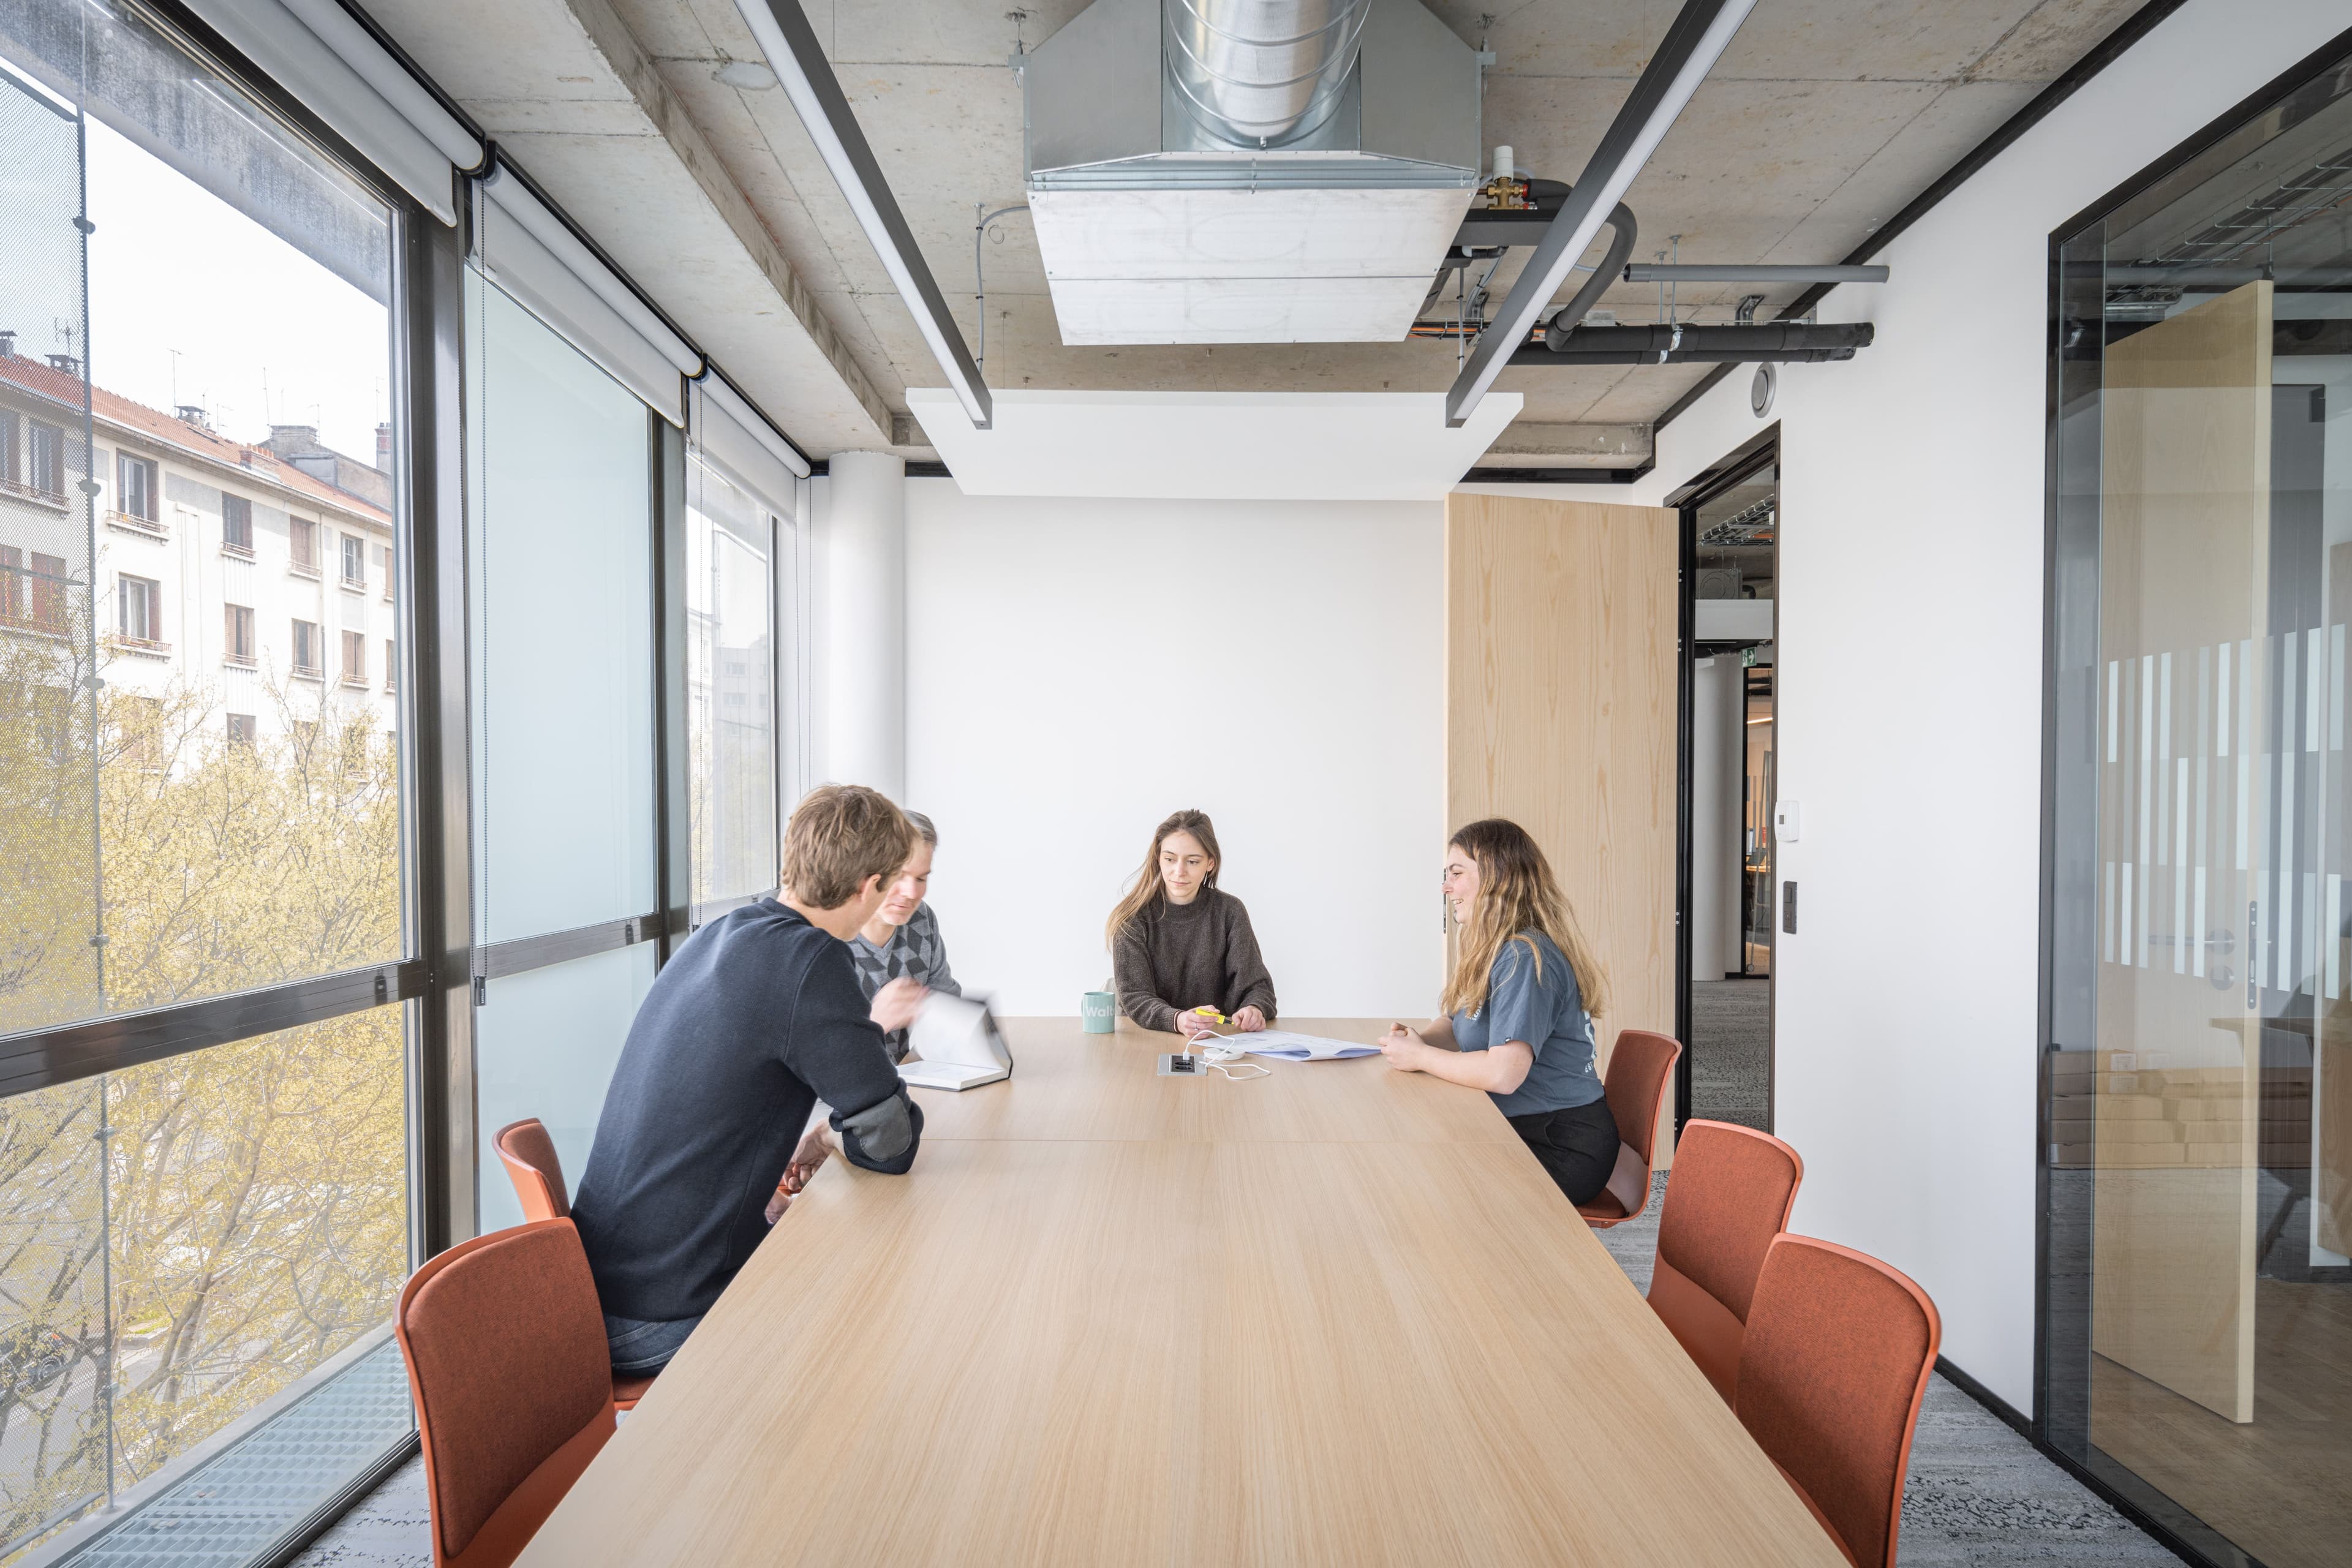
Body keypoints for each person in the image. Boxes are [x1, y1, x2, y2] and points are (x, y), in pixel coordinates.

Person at [571, 783, 925, 1378]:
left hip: (597, 1287)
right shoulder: (811, 960)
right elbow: (891, 1143)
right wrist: (835, 1137)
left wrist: (814, 1135)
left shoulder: (719, 932)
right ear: (869, 886)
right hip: (663, 1312)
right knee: (875, 1308)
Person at [1374, 818, 1619, 1205]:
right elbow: (1457, 1025)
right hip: (1523, 1127)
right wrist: (1418, 1041)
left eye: (1457, 874)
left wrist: (1421, 1056)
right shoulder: (1493, 950)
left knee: (1423, 1178)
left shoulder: (1525, 956)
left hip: (1558, 1145)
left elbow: (1504, 1075)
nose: (1446, 887)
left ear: (1496, 877)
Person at [1107, 809, 1276, 1039]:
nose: (1179, 872)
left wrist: (1255, 1009)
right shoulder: (1132, 918)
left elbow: (1257, 987)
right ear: (1158, 859)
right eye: (1169, 859)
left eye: (1193, 861)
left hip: (1217, 1042)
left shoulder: (1230, 912)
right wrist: (1177, 1020)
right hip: (1147, 1041)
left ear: (1211, 863)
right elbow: (1136, 997)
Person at [846, 810, 959, 1064]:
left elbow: (948, 1007)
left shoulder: (921, 919)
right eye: (899, 876)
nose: (911, 892)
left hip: (903, 1082)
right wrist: (876, 1022)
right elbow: (810, 1059)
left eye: (921, 878)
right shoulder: (828, 939)